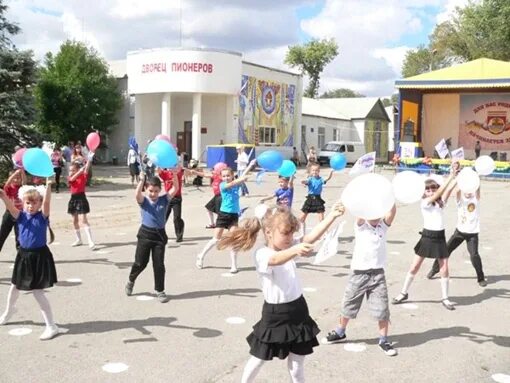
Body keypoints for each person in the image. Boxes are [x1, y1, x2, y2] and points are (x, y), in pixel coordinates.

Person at [217, 202, 345, 383]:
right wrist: (295, 249)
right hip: (275, 314)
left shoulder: (289, 246)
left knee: (297, 364)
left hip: (298, 310)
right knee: (259, 358)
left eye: (292, 233)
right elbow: (276, 259)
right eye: (285, 233)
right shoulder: (262, 253)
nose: (290, 237)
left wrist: (332, 216)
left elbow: (310, 238)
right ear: (269, 232)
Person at [322, 205, 398, 357]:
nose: (375, 218)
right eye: (371, 215)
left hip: (377, 274)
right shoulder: (361, 226)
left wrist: (389, 198)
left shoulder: (382, 227)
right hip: (359, 273)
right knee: (349, 303)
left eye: (377, 215)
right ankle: (340, 331)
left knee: (382, 308)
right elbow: (360, 213)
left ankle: (383, 339)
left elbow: (392, 212)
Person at [0, 179, 62, 340]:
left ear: (39, 203)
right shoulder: (19, 216)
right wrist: (2, 195)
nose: (30, 206)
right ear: (23, 202)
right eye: (28, 203)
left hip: (39, 257)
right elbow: (9, 205)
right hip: (23, 256)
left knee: (37, 292)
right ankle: (8, 312)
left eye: (34, 203)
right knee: (14, 286)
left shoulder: (42, 217)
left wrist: (48, 186)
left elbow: (47, 201)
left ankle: (51, 326)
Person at [392, 169, 458, 310]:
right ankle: (403, 293)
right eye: (427, 188)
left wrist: (457, 175)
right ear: (423, 192)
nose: (431, 190)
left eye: (433, 187)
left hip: (440, 237)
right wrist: (451, 176)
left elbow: (448, 190)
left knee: (444, 268)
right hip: (427, 236)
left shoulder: (441, 203)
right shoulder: (425, 203)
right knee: (415, 266)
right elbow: (441, 192)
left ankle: (445, 298)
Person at [125, 173, 177, 303]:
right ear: (146, 190)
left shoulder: (164, 199)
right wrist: (141, 181)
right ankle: (131, 280)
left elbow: (175, 188)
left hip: (159, 236)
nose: (153, 194)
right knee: (140, 263)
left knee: (159, 264)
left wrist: (175, 174)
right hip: (145, 235)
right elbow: (137, 195)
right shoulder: (144, 201)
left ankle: (160, 290)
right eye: (150, 191)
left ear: (160, 190)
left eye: (156, 191)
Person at [427, 184, 486, 286]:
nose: (468, 193)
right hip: (459, 232)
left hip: (472, 234)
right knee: (445, 250)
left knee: (474, 255)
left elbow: (477, 187)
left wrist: (475, 181)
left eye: (470, 191)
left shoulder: (476, 199)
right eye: (466, 191)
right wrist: (460, 179)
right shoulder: (460, 199)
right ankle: (434, 269)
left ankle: (481, 278)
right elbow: (457, 190)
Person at [196, 167, 249, 273]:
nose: (226, 178)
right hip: (223, 215)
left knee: (234, 240)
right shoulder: (223, 185)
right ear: (221, 177)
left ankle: (234, 265)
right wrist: (242, 179)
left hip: (234, 215)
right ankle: (201, 256)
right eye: (224, 176)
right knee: (216, 239)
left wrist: (249, 166)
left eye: (228, 175)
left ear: (232, 175)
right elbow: (234, 182)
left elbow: (242, 176)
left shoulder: (236, 183)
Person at [67, 151, 95, 249]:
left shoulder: (82, 176)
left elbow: (86, 169)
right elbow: (71, 179)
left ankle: (90, 241)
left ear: (77, 169)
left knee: (84, 220)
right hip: (73, 199)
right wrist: (79, 171)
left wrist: (89, 160)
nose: (71, 172)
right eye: (70, 170)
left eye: (72, 170)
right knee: (75, 220)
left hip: (81, 197)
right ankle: (78, 239)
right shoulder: (71, 177)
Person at [300, 163, 334, 233]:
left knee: (321, 218)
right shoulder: (310, 179)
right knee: (302, 218)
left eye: (316, 170)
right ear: (310, 171)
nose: (315, 172)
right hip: (310, 199)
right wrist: (304, 182)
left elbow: (327, 178)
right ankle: (302, 233)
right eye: (313, 170)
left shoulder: (321, 179)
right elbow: (306, 182)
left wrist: (331, 172)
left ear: (319, 171)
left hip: (318, 199)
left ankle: (325, 233)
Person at [0, 169, 25, 253]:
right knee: (2, 234)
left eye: (18, 178)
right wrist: (15, 174)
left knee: (19, 236)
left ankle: (20, 254)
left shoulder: (22, 188)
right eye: (14, 178)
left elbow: (24, 182)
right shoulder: (9, 188)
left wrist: (22, 173)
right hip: (9, 214)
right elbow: (7, 183)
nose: (16, 179)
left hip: (20, 215)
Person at [158, 166, 185, 243]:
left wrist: (176, 169)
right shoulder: (165, 174)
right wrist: (159, 163)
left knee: (177, 218)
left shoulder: (178, 173)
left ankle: (179, 236)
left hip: (177, 198)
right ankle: (160, 234)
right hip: (168, 198)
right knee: (164, 217)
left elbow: (181, 169)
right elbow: (159, 171)